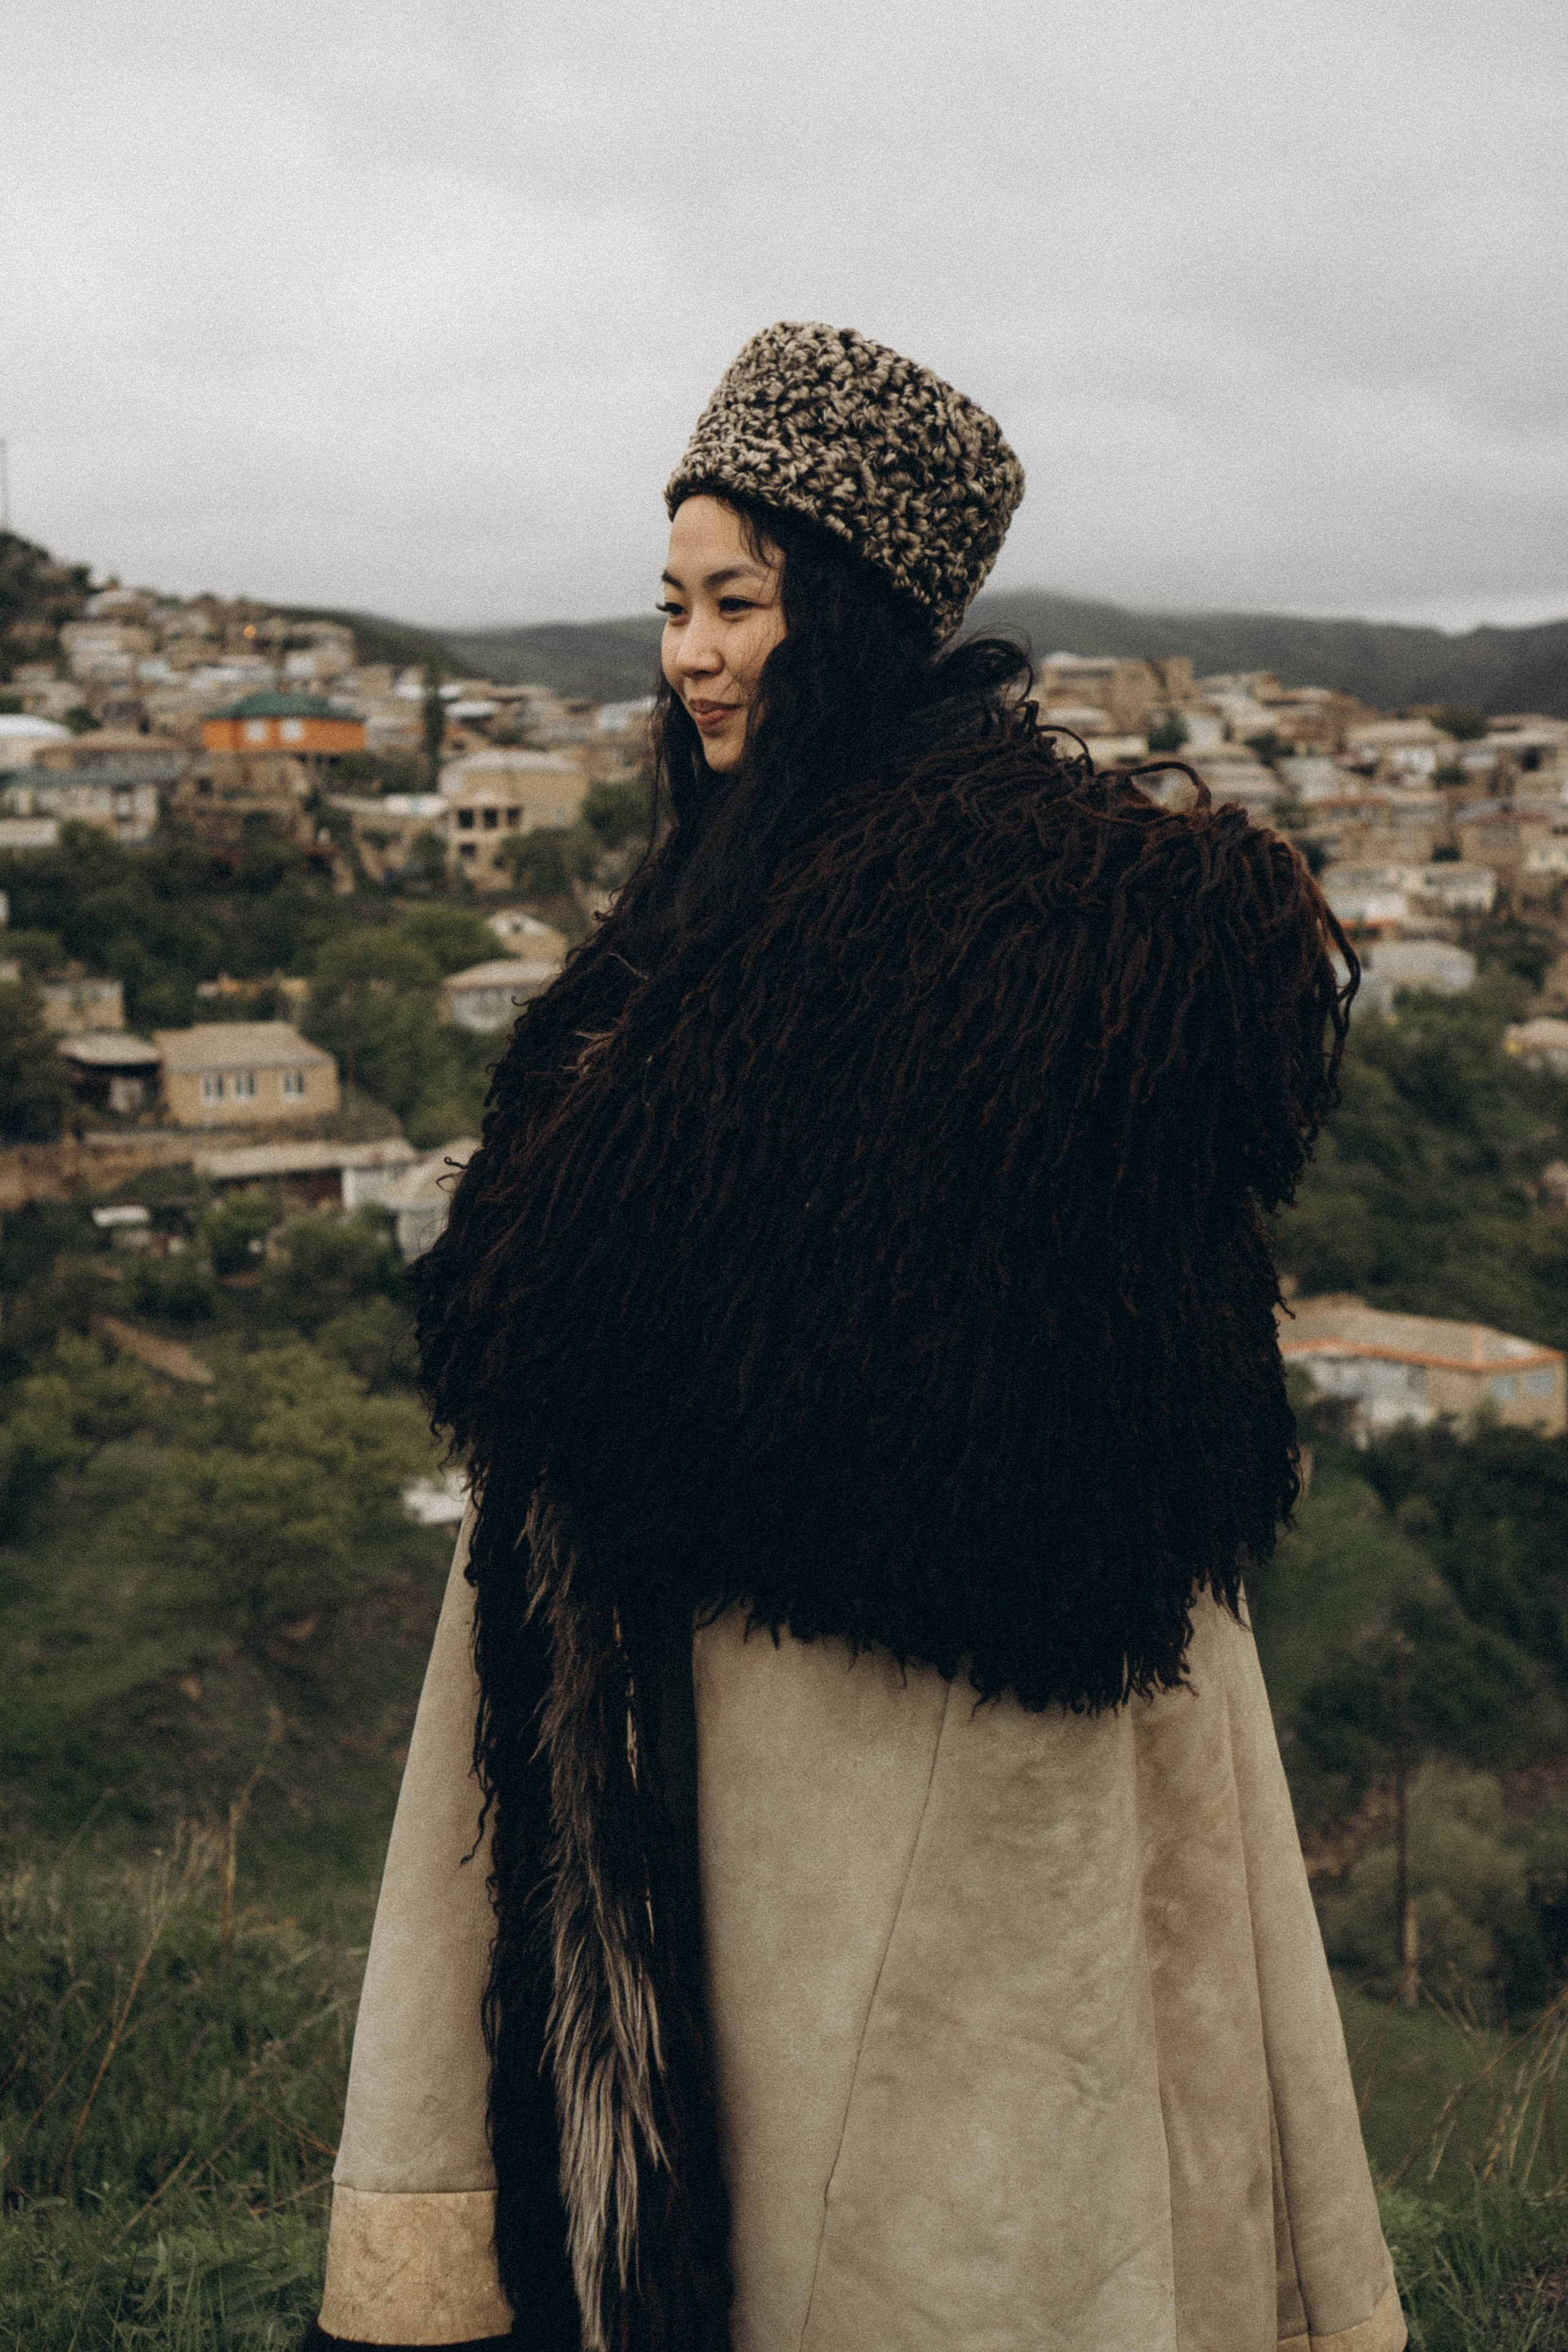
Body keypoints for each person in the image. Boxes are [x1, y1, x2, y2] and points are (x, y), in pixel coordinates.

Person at [303, 322, 1405, 2352]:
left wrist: (624, 1336)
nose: (693, 656)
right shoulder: (735, 883)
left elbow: (1022, 1371)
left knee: (932, 2212)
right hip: (686, 1686)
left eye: (741, 603)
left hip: (914, 1739)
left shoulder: (1048, 925)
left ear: (864, 603)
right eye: (672, 606)